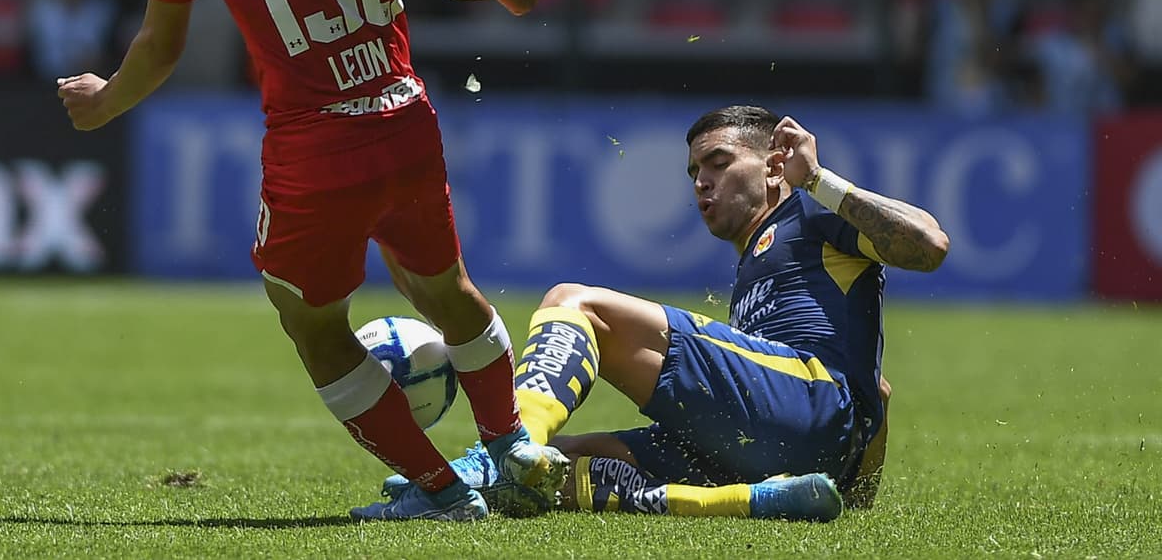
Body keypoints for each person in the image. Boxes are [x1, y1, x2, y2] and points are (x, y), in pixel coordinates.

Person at [55, 0, 566, 522]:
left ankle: (443, 492)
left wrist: (106, 99)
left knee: (314, 322)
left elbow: (161, 46)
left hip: (314, 149)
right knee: (443, 287)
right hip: (404, 120)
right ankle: (512, 445)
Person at [381, 106, 948, 520]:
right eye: (695, 171)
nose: (702, 181)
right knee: (554, 464)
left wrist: (819, 181)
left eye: (719, 163)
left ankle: (495, 448)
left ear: (777, 166)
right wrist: (856, 494)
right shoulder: (759, 264)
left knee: (574, 302)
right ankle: (758, 501)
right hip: (793, 445)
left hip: (808, 404)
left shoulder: (810, 214)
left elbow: (929, 245)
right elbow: (881, 390)